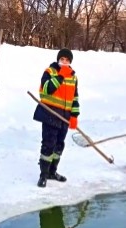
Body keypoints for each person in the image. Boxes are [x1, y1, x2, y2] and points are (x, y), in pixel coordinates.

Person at [33, 48, 80, 188]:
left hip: (65, 118)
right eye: (62, 59)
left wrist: (74, 116)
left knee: (59, 145)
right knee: (48, 144)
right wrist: (60, 76)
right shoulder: (50, 72)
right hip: (50, 115)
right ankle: (43, 175)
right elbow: (47, 89)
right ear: (58, 59)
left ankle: (52, 172)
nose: (64, 62)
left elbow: (75, 97)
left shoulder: (73, 77)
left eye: (67, 60)